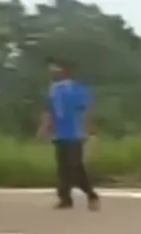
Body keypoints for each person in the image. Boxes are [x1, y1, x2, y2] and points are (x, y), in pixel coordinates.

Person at [38, 58, 100, 211]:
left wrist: (89, 130)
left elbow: (86, 111)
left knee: (74, 167)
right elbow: (49, 111)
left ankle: (91, 194)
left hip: (75, 134)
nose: (52, 72)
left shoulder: (78, 89)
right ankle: (65, 198)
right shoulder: (53, 90)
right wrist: (44, 129)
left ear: (65, 71)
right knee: (63, 168)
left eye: (56, 69)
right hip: (60, 134)